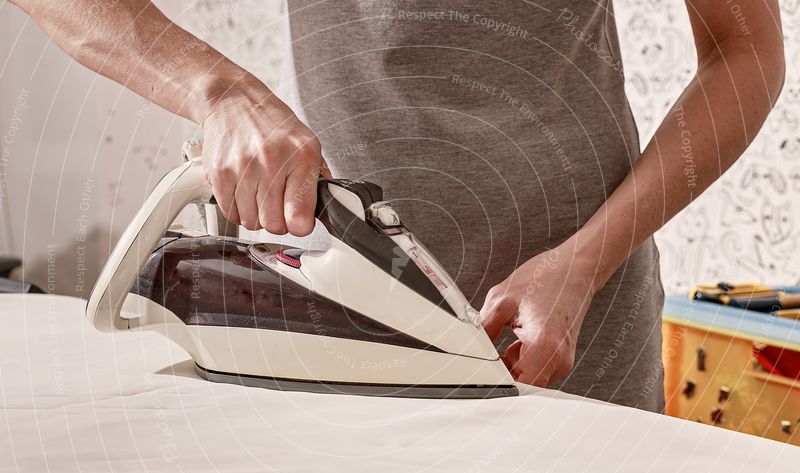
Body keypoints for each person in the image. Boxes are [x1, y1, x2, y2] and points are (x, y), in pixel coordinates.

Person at [10, 1, 784, 411]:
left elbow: (746, 52)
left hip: (577, 333)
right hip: (347, 350)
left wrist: (583, 263)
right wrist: (217, 91)